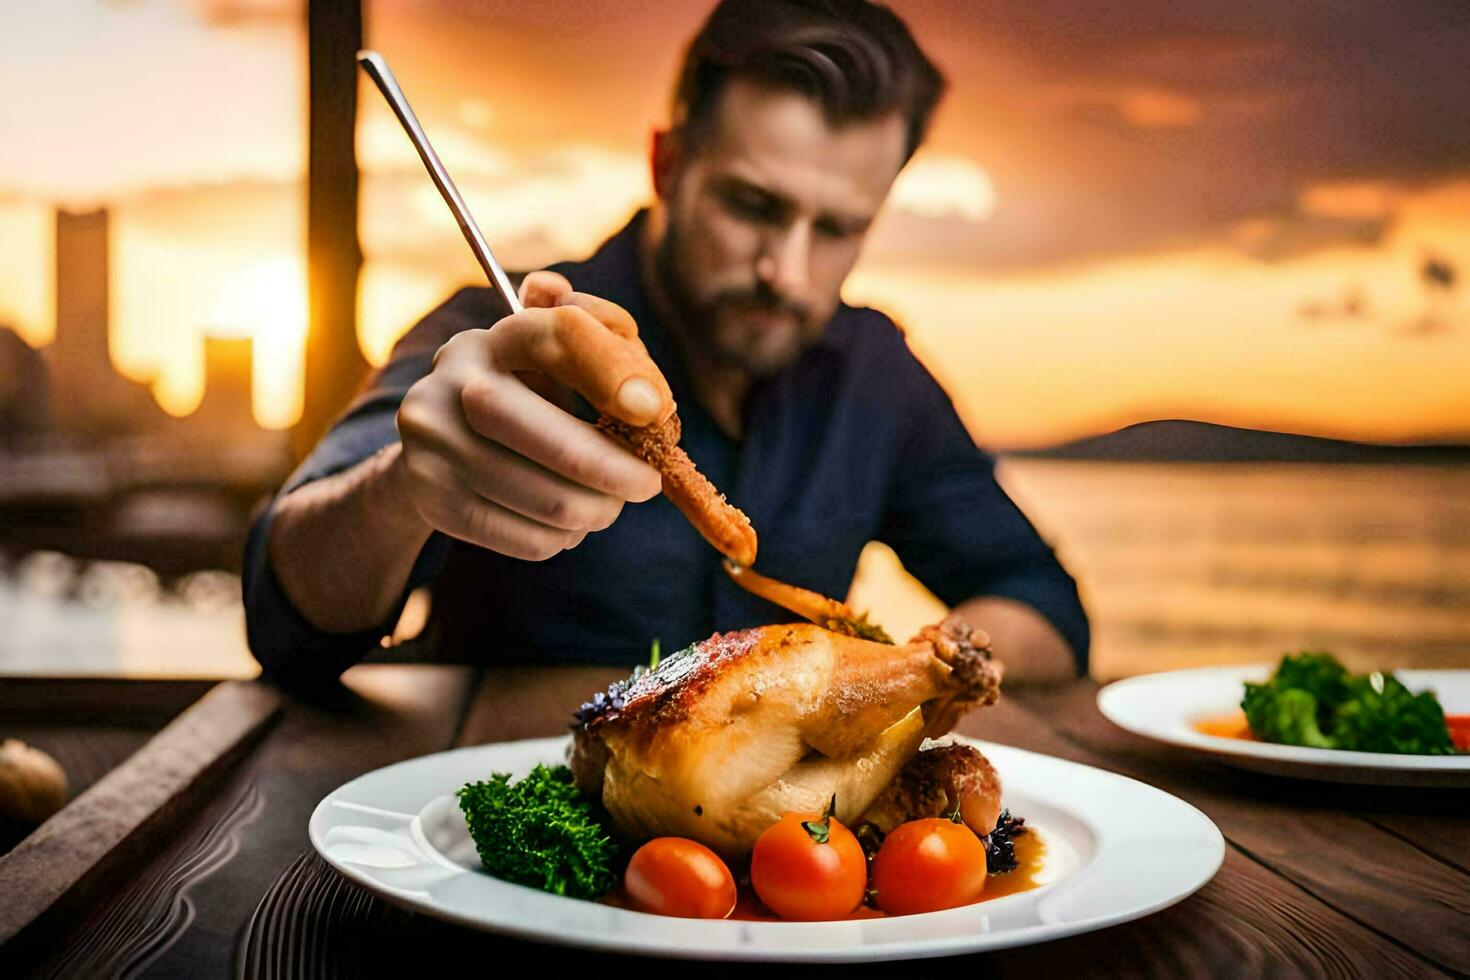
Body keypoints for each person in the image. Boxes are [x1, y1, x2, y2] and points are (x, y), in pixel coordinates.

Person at [244, 0, 1089, 689]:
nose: (786, 272)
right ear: (667, 164)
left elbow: (1043, 603)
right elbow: (285, 625)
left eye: (836, 229)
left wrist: (910, 671)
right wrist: (402, 490)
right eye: (753, 206)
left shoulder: (878, 378)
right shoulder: (501, 335)